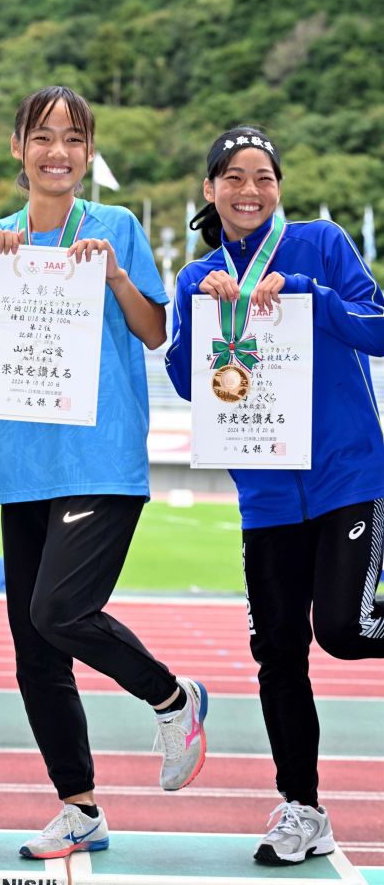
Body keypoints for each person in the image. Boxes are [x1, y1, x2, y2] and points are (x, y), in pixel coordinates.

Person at [0, 85, 208, 860]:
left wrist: (118, 276)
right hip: (22, 464)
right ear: (18, 147)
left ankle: (171, 694)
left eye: (75, 138)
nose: (59, 150)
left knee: (59, 608)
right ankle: (80, 806)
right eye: (44, 135)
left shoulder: (115, 225)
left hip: (100, 457)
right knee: (34, 649)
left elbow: (154, 331)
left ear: (89, 153)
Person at [165, 125, 384, 866]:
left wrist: (312, 298)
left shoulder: (322, 245)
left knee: (346, 630)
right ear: (209, 189)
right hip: (264, 492)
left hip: (348, 476)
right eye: (232, 177)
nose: (248, 190)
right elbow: (187, 382)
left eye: (262, 176)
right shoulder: (197, 278)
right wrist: (205, 314)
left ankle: (302, 805)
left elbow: (379, 327)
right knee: (279, 651)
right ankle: (303, 809)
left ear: (279, 185)